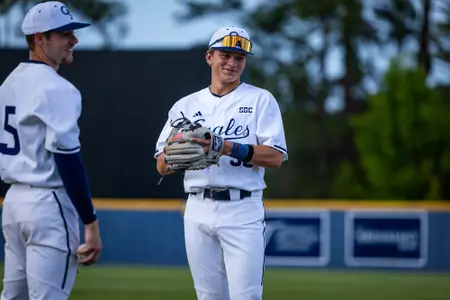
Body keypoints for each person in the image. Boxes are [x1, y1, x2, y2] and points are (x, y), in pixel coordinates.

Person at [155, 26, 288, 300]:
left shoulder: (260, 99)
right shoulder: (185, 106)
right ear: (209, 57)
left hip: (243, 209)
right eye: (226, 55)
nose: (232, 63)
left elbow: (275, 157)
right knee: (208, 297)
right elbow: (161, 165)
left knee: (246, 296)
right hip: (197, 207)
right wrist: (178, 155)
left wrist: (225, 146)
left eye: (240, 58)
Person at [0, 2, 102, 299]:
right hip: (47, 203)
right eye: (64, 34)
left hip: (13, 202)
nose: (74, 40)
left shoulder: (8, 84)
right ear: (39, 39)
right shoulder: (57, 88)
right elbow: (68, 160)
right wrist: (90, 222)